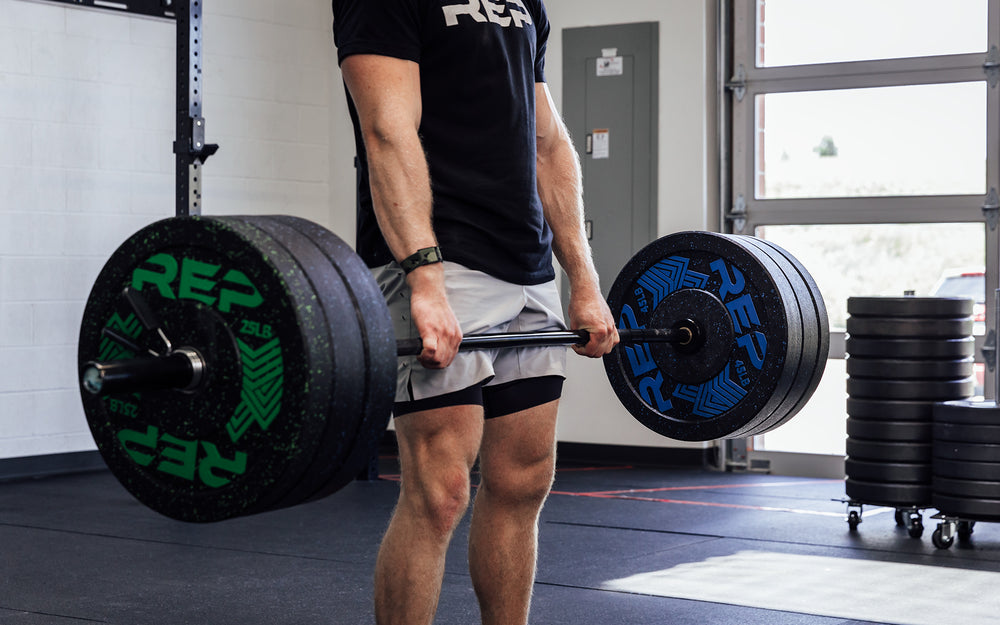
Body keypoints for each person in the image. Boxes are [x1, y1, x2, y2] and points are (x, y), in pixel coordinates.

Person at [331, 1, 619, 623]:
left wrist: (585, 280)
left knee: (524, 481)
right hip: (442, 257)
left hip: (527, 264)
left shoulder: (525, 2)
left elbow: (547, 142)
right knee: (439, 493)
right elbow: (387, 129)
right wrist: (425, 278)